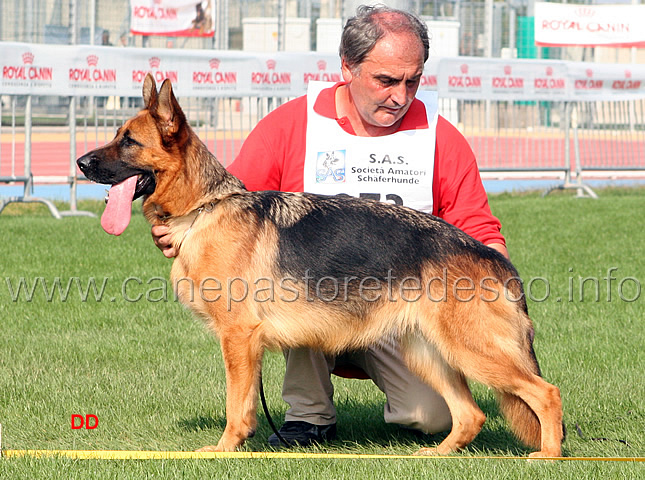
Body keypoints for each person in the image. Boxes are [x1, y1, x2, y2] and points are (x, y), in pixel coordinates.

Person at [152, 5, 508, 448]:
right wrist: (179, 228)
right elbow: (227, 203)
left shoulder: (439, 136)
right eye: (385, 81)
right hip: (311, 303)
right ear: (347, 67)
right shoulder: (293, 124)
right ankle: (308, 415)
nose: (400, 96)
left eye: (412, 81)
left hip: (398, 309)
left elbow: (475, 224)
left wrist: (493, 291)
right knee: (286, 275)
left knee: (429, 415)